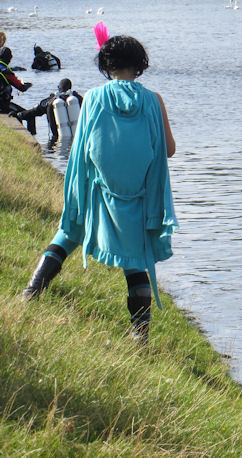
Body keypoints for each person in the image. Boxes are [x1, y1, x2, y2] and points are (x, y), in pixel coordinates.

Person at [22, 35, 178, 344]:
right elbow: (168, 150)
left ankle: (30, 293)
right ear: (141, 65)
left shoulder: (93, 97)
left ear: (106, 65)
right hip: (138, 197)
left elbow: (82, 147)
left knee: (68, 233)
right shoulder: (154, 100)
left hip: (98, 191)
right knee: (135, 259)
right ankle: (140, 336)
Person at [11, 78, 83, 137]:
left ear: (58, 87)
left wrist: (19, 114)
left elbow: (34, 111)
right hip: (79, 136)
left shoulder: (51, 101)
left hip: (58, 136)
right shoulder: (78, 99)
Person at [1, 46, 34, 129]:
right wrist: (29, 85)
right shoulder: (6, 71)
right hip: (3, 105)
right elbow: (21, 88)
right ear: (9, 58)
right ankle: (31, 136)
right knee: (29, 115)